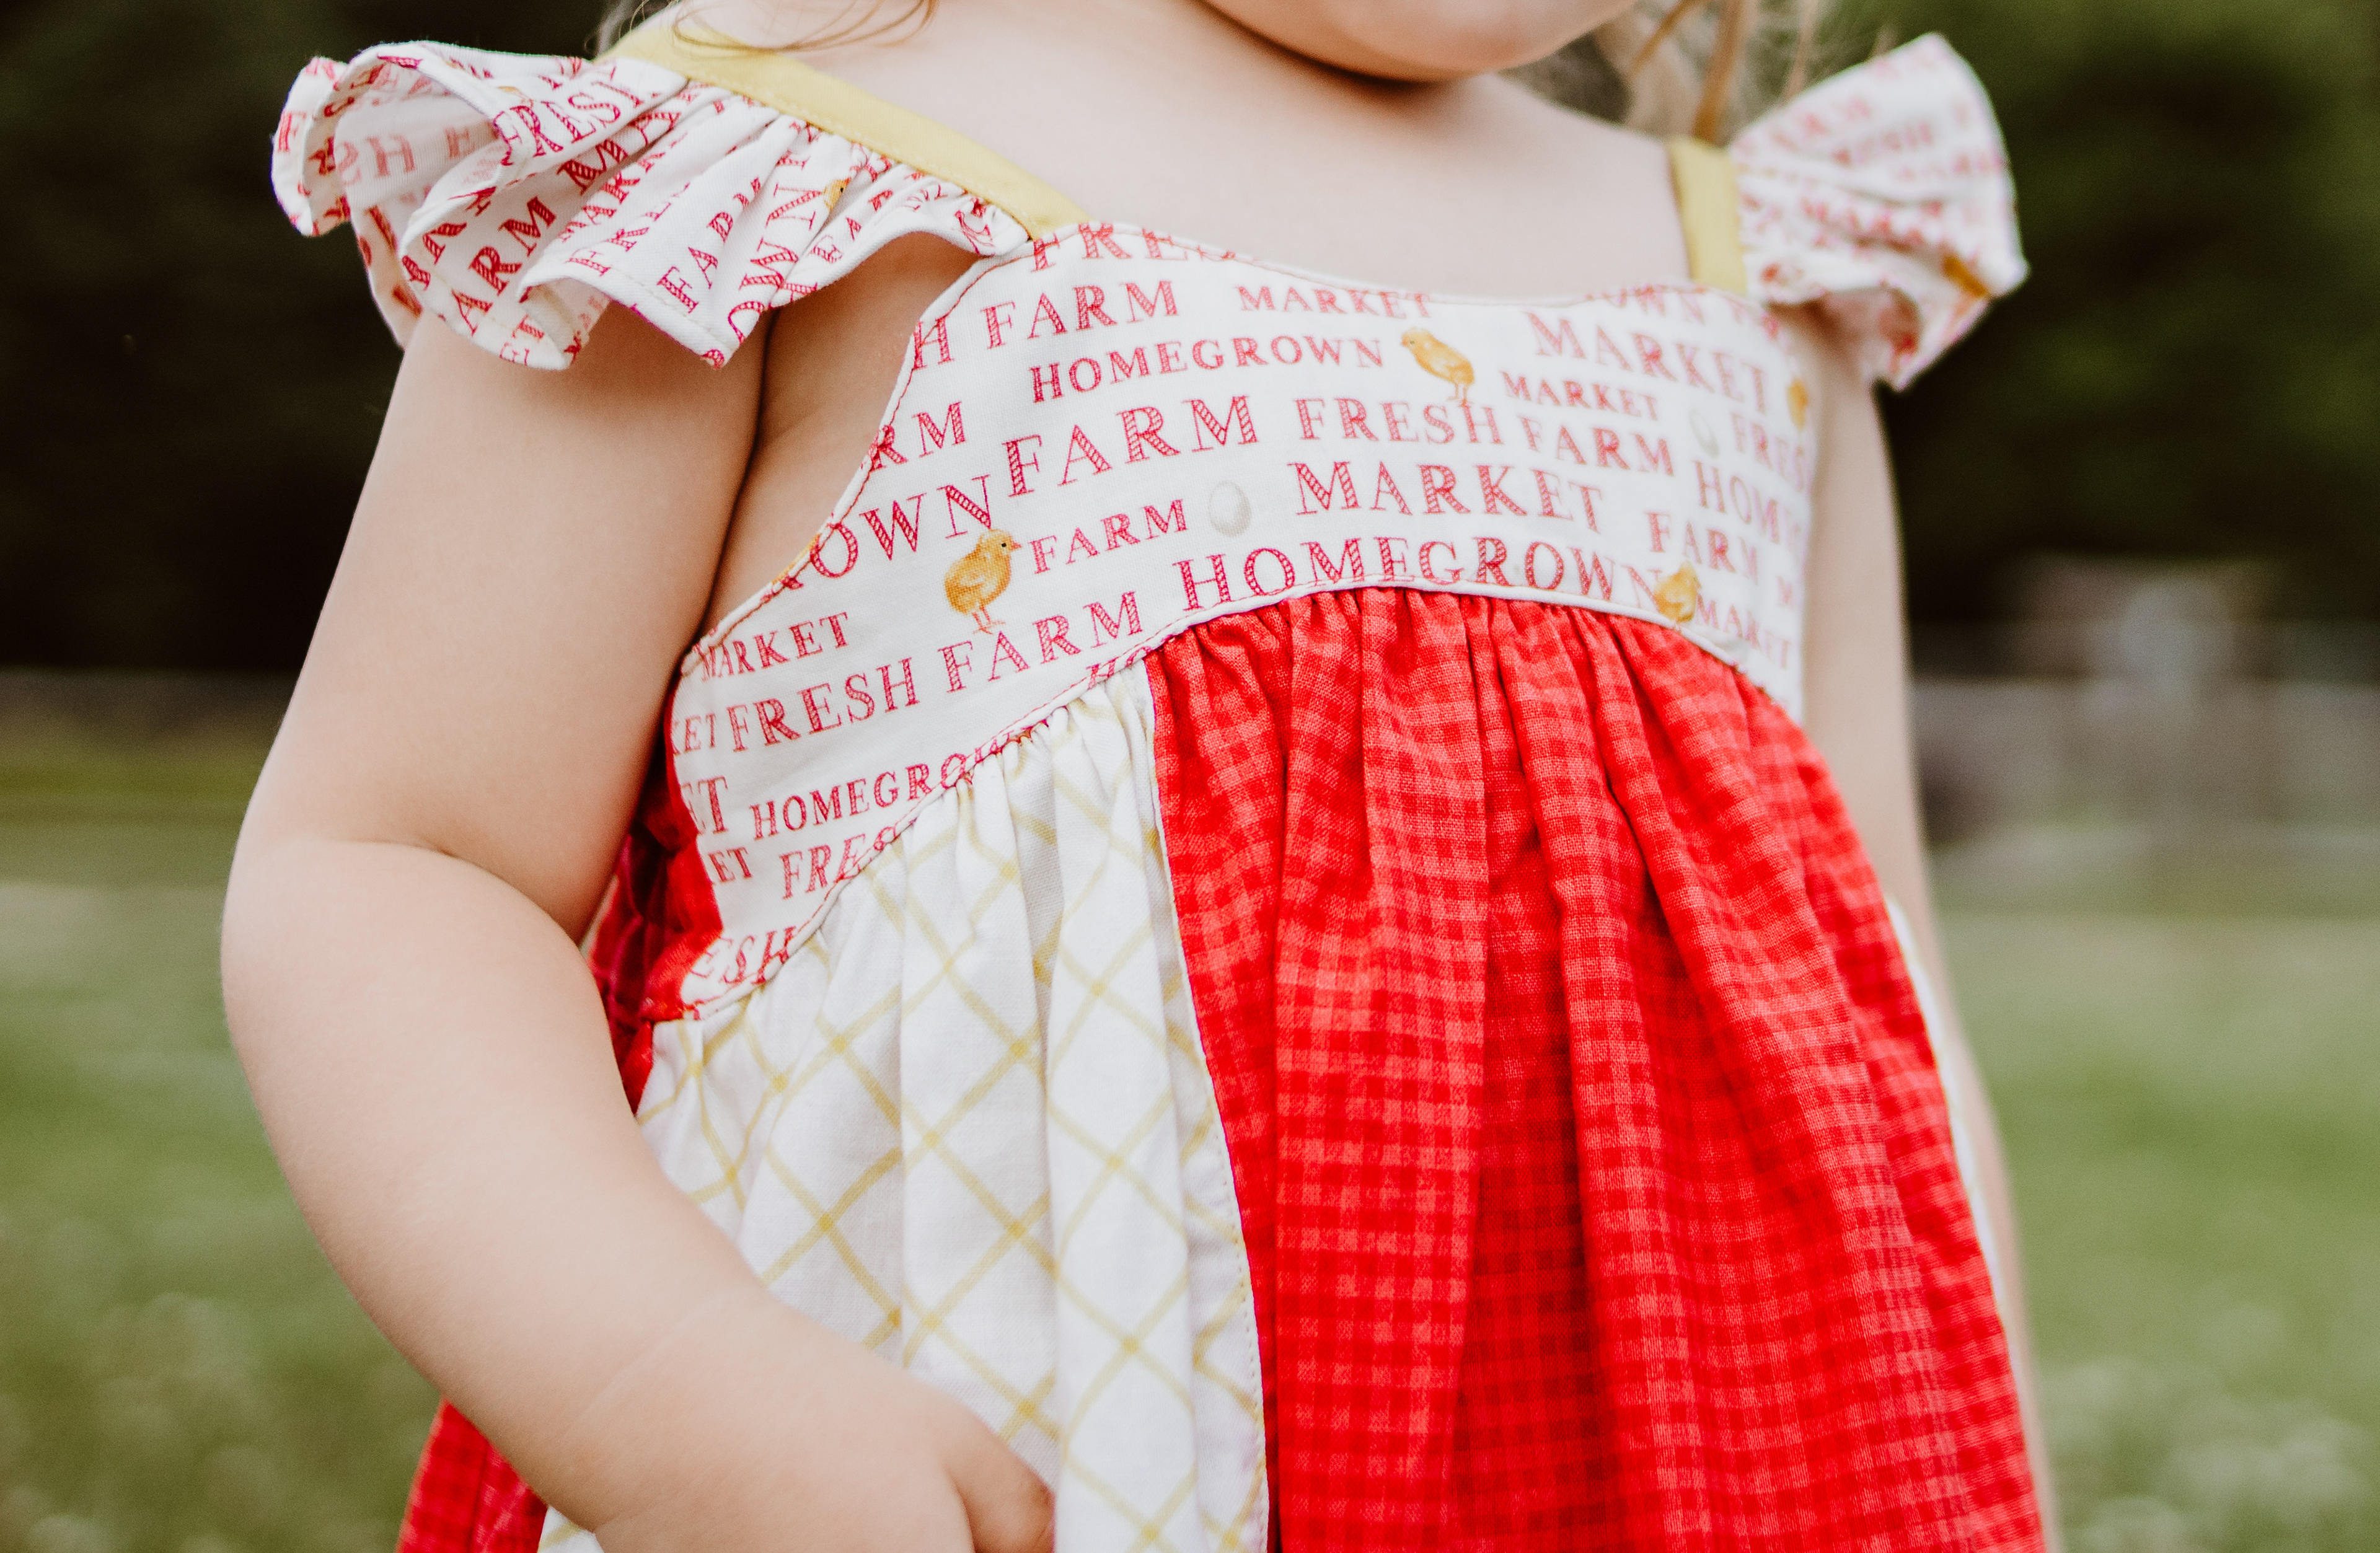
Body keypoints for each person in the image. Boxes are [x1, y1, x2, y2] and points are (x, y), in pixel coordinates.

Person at [229, 0, 2048, 1547]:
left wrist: (1975, 1469)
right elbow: (404, 863)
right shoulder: (761, 177)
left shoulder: (1758, 281)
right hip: (994, 1449)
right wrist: (668, 1380)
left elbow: (1886, 1015)